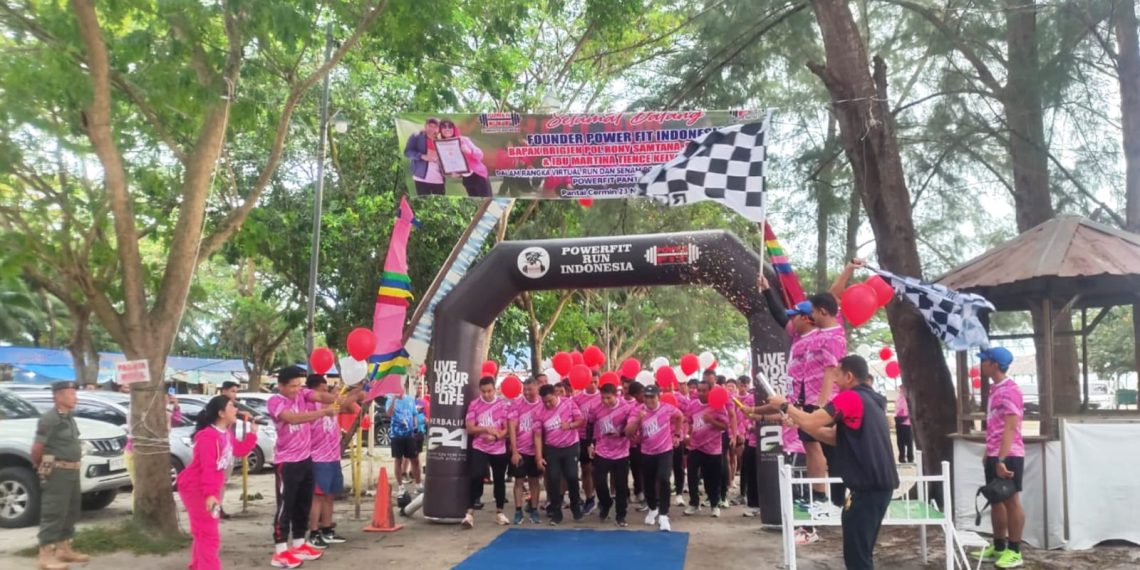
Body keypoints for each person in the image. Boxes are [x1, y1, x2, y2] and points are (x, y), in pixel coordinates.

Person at [768, 355, 899, 570]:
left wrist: (783, 405)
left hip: (869, 488)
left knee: (857, 556)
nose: (834, 381)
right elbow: (833, 436)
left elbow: (811, 419)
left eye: (837, 375)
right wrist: (799, 423)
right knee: (859, 552)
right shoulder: (871, 400)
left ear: (849, 376)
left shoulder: (850, 398)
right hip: (875, 487)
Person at [267, 366, 358, 569]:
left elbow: (321, 396)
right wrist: (323, 412)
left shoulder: (303, 394)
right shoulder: (275, 401)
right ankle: (280, 550)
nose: (297, 389)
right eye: (292, 386)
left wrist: (347, 394)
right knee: (286, 506)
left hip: (306, 459)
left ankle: (299, 543)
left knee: (303, 504)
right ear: (281, 385)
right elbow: (292, 418)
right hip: (287, 462)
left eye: (299, 385)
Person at [176, 395, 258, 570]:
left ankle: (198, 565)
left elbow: (240, 450)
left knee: (203, 532)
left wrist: (253, 432)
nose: (236, 409)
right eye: (231, 406)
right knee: (208, 534)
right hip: (196, 488)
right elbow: (208, 468)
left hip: (207, 488)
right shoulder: (207, 436)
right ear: (221, 413)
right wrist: (210, 494)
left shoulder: (225, 433)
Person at [974, 347, 1025, 569]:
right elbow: (996, 425)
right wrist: (990, 452)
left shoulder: (1011, 390)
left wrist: (1002, 459)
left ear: (994, 364)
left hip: (1009, 454)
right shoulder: (995, 389)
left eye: (984, 361)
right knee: (995, 499)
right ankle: (999, 546)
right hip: (995, 453)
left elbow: (1011, 428)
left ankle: (1015, 551)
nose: (981, 364)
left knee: (1011, 501)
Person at [32, 381, 89, 570]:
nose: (75, 398)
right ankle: (45, 555)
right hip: (57, 471)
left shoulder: (69, 417)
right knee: (54, 511)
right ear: (59, 396)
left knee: (71, 510)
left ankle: (63, 549)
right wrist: (40, 466)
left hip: (71, 471)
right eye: (71, 394)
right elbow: (38, 447)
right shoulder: (49, 419)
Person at [627, 384, 684, 532]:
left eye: (652, 397)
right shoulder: (637, 410)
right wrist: (638, 420)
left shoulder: (666, 408)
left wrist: (677, 435)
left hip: (665, 450)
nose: (649, 400)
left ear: (658, 396)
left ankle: (664, 514)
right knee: (649, 482)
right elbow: (628, 432)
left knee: (664, 478)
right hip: (646, 452)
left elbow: (679, 416)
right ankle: (653, 508)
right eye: (646, 397)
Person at [462, 376, 511, 528]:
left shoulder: (503, 405)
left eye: (489, 391)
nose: (487, 394)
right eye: (483, 392)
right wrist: (484, 429)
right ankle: (469, 512)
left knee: (499, 480)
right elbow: (469, 428)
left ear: (495, 389)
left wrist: (496, 436)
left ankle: (499, 511)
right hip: (479, 446)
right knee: (476, 475)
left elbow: (507, 430)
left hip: (498, 448)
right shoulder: (474, 404)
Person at [305, 375, 348, 549]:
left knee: (330, 495)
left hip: (333, 457)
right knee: (318, 496)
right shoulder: (310, 407)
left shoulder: (332, 406)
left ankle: (327, 528)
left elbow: (350, 405)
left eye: (326, 390)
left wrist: (358, 389)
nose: (326, 393)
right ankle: (313, 531)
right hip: (318, 458)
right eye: (322, 390)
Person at [534, 383, 586, 525]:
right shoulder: (539, 411)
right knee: (553, 479)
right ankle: (556, 513)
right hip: (552, 448)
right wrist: (538, 457)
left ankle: (576, 508)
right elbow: (537, 436)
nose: (548, 404)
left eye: (550, 400)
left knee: (572, 476)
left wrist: (569, 425)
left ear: (556, 395)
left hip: (571, 446)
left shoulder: (568, 404)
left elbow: (581, 421)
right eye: (545, 402)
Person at [589, 383, 634, 527]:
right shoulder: (597, 408)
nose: (605, 401)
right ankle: (606, 502)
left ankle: (621, 515)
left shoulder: (627, 408)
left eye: (608, 398)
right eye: (603, 398)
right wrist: (590, 444)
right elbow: (590, 425)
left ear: (616, 395)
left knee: (621, 485)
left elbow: (631, 428)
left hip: (621, 451)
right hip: (602, 450)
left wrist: (619, 433)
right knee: (598, 480)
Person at [682, 381, 729, 518]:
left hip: (713, 448)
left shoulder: (718, 407)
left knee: (711, 478)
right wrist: (687, 435)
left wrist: (711, 421)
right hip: (695, 446)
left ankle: (714, 504)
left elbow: (725, 427)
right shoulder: (693, 404)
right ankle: (694, 503)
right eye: (699, 390)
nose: (701, 393)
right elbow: (689, 422)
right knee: (691, 475)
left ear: (710, 391)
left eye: (704, 390)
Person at [508, 375, 546, 524]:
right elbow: (511, 426)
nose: (527, 392)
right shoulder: (516, 404)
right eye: (525, 389)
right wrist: (514, 451)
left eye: (530, 389)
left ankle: (534, 510)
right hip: (521, 449)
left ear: (537, 388)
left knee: (534, 481)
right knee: (518, 481)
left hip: (536, 450)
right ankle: (518, 511)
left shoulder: (543, 404)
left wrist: (540, 454)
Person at [437, 120, 492, 197]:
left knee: (486, 199)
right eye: (444, 127)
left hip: (478, 175)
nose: (447, 129)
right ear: (440, 130)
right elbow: (450, 163)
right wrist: (453, 173)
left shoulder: (464, 140)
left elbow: (480, 155)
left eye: (450, 127)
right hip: (466, 179)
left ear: (454, 129)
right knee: (475, 201)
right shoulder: (442, 147)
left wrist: (469, 151)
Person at [573, 372, 602, 515]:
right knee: (586, 469)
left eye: (596, 382)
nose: (593, 385)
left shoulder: (603, 397)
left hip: (600, 438)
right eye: (590, 381)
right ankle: (589, 498)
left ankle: (602, 497)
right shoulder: (577, 398)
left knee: (598, 470)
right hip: (581, 438)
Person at [387, 387, 423, 496]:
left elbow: (414, 414)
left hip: (409, 435)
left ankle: (418, 484)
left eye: (401, 387)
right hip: (396, 435)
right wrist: (393, 399)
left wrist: (415, 424)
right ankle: (400, 486)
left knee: (415, 459)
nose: (400, 390)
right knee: (398, 460)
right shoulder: (390, 399)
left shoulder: (410, 400)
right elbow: (389, 413)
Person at [403, 117, 445, 195]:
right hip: (421, 178)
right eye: (430, 126)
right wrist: (421, 156)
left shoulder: (441, 139)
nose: (432, 129)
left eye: (435, 126)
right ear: (425, 126)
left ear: (438, 128)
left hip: (439, 179)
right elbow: (407, 152)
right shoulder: (416, 136)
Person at [624, 381, 646, 506]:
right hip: (634, 442)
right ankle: (638, 491)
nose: (638, 397)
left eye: (639, 394)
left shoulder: (653, 403)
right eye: (636, 395)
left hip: (650, 443)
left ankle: (642, 492)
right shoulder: (635, 408)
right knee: (636, 468)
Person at [895, 385, 914, 464]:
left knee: (909, 441)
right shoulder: (899, 398)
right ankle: (902, 457)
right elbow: (897, 409)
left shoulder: (909, 399)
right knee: (900, 441)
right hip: (899, 422)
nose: (901, 390)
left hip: (907, 423)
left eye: (903, 389)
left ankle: (910, 457)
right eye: (901, 389)